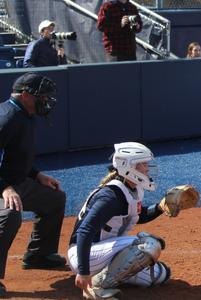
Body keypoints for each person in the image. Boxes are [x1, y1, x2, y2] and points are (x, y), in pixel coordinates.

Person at [67, 142, 172, 299]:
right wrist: (83, 271)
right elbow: (84, 231)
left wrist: (160, 207)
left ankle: (108, 275)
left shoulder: (130, 189)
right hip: (86, 254)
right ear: (128, 167)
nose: (147, 168)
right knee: (148, 244)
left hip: (106, 253)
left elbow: (139, 215)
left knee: (161, 274)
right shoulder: (110, 197)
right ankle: (97, 286)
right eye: (142, 164)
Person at [0, 73, 67, 298]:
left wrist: (37, 175)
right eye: (42, 95)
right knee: (9, 216)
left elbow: (15, 156)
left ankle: (39, 254)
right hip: (4, 186)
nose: (46, 100)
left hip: (17, 182)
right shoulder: (7, 118)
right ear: (25, 95)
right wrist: (5, 188)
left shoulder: (25, 115)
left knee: (54, 198)